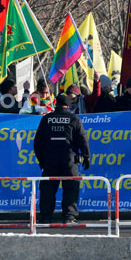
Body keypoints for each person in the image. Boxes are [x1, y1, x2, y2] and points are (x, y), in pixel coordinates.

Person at [34, 93, 90, 224]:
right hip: (69, 161)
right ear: (68, 105)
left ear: (56, 103)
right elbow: (83, 140)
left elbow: (37, 143)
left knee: (47, 189)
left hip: (50, 161)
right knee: (71, 188)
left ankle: (45, 217)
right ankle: (69, 216)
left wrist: (42, 160)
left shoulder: (46, 119)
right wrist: (86, 156)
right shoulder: (74, 119)